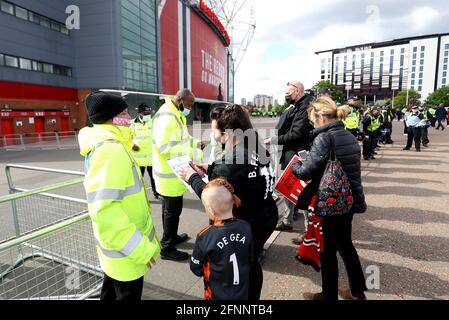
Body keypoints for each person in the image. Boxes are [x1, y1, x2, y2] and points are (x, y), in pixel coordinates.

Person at [179, 105, 278, 300]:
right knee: (252, 262)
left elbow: (212, 196)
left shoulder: (231, 162)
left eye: (215, 130)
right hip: (266, 213)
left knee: (238, 272)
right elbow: (245, 177)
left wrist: (192, 177)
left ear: (227, 133)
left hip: (243, 222)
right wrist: (211, 169)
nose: (214, 135)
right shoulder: (256, 145)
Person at [78, 92, 161, 300]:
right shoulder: (110, 150)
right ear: (111, 117)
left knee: (110, 291)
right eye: (124, 112)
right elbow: (105, 211)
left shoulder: (108, 143)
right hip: (128, 252)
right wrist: (141, 250)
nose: (129, 116)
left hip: (118, 249)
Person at [291, 96, 367, 301]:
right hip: (348, 200)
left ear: (321, 118)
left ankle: (329, 295)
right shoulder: (348, 135)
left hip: (330, 203)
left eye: (312, 120)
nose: (312, 124)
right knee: (346, 246)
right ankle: (357, 292)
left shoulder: (324, 138)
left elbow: (306, 171)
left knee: (328, 251)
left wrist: (295, 164)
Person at [152, 89, 205, 261]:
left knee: (170, 209)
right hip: (168, 174)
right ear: (180, 100)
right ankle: (167, 247)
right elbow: (165, 147)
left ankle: (171, 236)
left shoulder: (175, 113)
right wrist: (192, 150)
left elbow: (183, 137)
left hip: (174, 172)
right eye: (189, 105)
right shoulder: (168, 116)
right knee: (172, 211)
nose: (189, 108)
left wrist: (196, 142)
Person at [263, 81, 314, 243]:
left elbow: (296, 134)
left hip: (300, 155)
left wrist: (274, 140)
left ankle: (309, 231)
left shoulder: (305, 107)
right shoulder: (296, 106)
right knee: (287, 188)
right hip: (291, 154)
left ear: (298, 91)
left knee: (302, 192)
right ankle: (287, 221)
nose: (286, 96)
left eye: (288, 93)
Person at [190, 178, 253, 300]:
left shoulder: (205, 235)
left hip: (216, 295)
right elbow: (251, 257)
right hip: (242, 293)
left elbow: (196, 268)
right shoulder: (246, 227)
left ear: (211, 211)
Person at [131, 103, 159, 199]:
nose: (148, 115)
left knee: (154, 177)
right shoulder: (132, 124)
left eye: (149, 113)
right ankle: (140, 196)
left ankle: (157, 193)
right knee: (139, 178)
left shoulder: (153, 122)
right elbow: (126, 137)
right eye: (145, 113)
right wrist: (131, 145)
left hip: (152, 157)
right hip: (139, 159)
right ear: (140, 113)